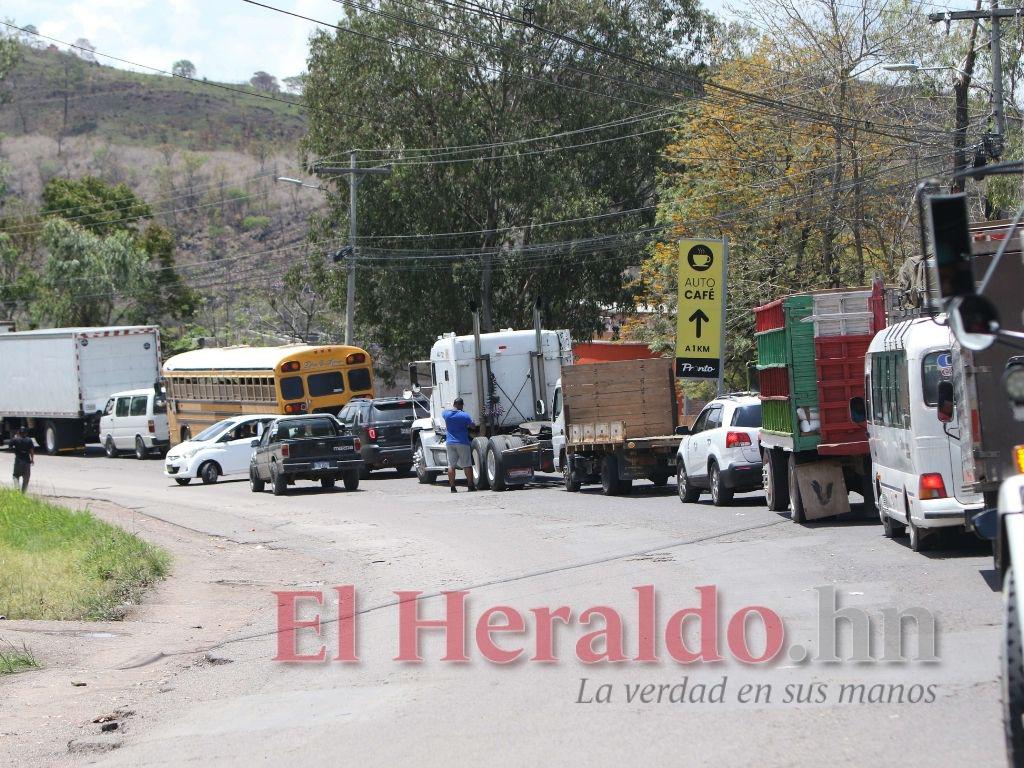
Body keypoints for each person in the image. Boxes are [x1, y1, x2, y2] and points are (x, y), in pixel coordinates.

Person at [442, 398, 476, 493]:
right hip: (462, 442)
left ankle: (452, 488)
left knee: (451, 466)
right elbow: (472, 426)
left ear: (454, 404)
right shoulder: (464, 415)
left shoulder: (446, 414)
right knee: (467, 465)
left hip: (450, 442)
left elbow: (444, 412)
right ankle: (470, 486)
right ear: (461, 405)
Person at [8, 426, 34, 493]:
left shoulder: (15, 439)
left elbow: (10, 446)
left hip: (18, 461)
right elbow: (31, 451)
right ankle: (23, 493)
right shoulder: (29, 440)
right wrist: (32, 459)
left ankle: (17, 488)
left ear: (19, 432)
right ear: (26, 433)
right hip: (27, 462)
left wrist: (15, 436)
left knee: (15, 475)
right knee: (26, 479)